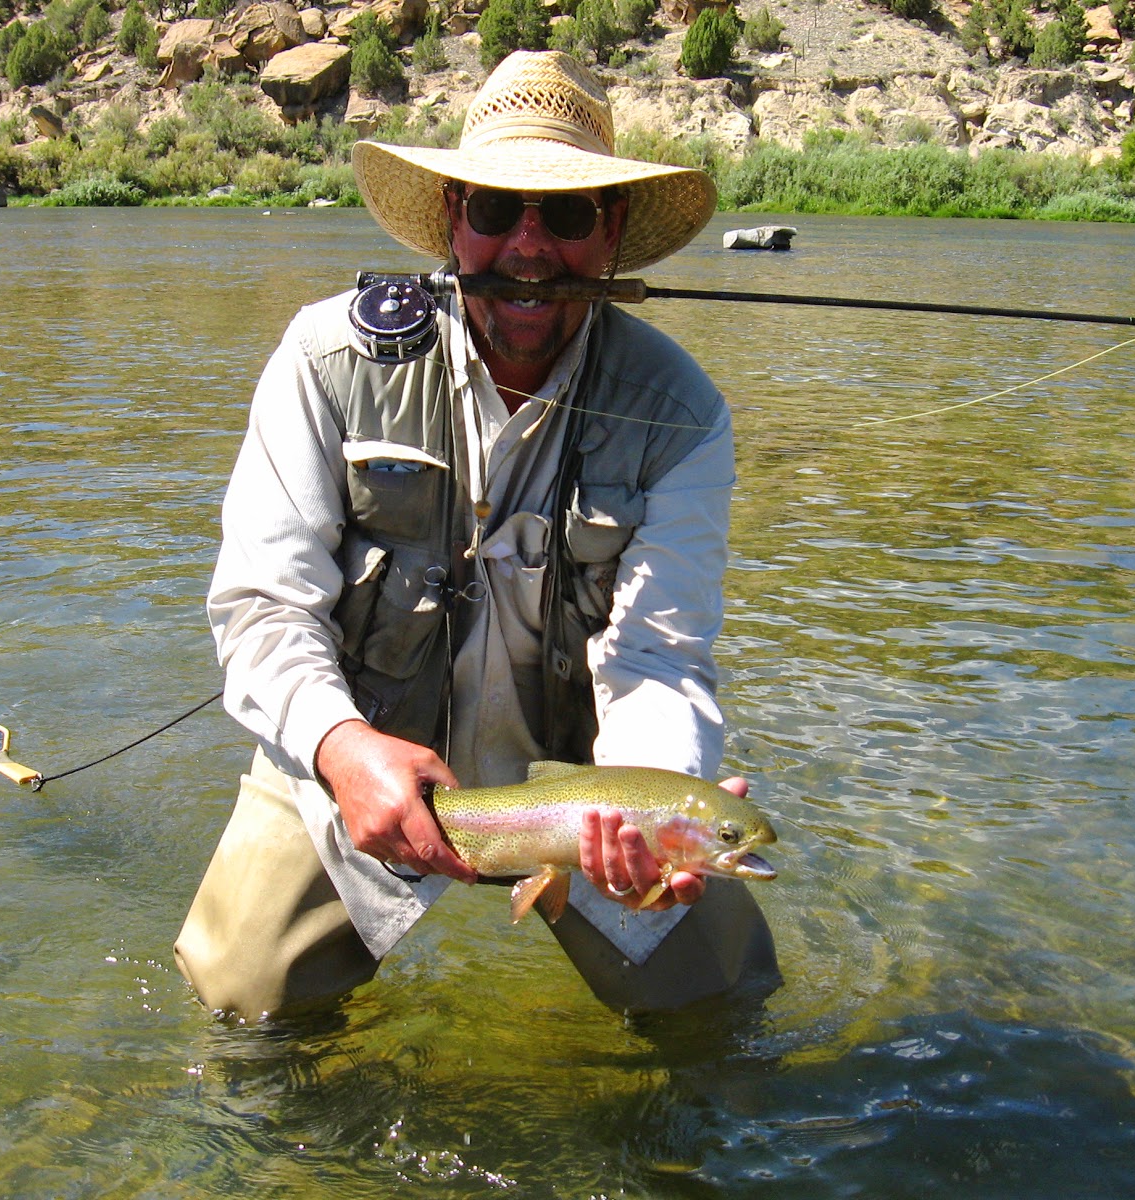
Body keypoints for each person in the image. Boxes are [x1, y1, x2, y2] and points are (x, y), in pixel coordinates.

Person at [175, 50, 778, 1021]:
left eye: (569, 216)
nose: (528, 249)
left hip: (579, 802)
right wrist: (336, 746)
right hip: (363, 761)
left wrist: (664, 799)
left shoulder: (681, 412)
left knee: (720, 1007)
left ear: (614, 230)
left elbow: (659, 660)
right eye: (496, 211)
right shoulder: (325, 362)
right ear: (454, 217)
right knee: (243, 1003)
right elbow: (263, 609)